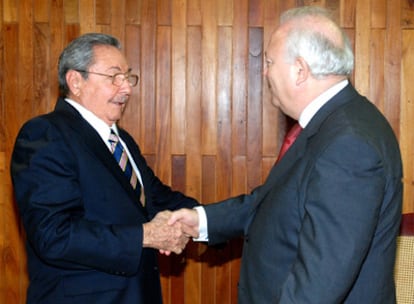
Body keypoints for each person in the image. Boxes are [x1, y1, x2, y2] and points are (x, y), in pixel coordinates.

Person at [168, 6, 403, 303]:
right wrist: (202, 220)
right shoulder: (334, 122)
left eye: (269, 61)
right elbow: (274, 201)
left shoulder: (348, 143)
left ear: (300, 70)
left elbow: (319, 284)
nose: (264, 72)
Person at [10, 33, 198, 304]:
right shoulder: (45, 134)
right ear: (76, 81)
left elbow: (157, 200)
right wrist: (144, 236)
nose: (127, 89)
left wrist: (215, 221)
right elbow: (54, 235)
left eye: (128, 77)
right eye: (114, 77)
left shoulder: (121, 140)